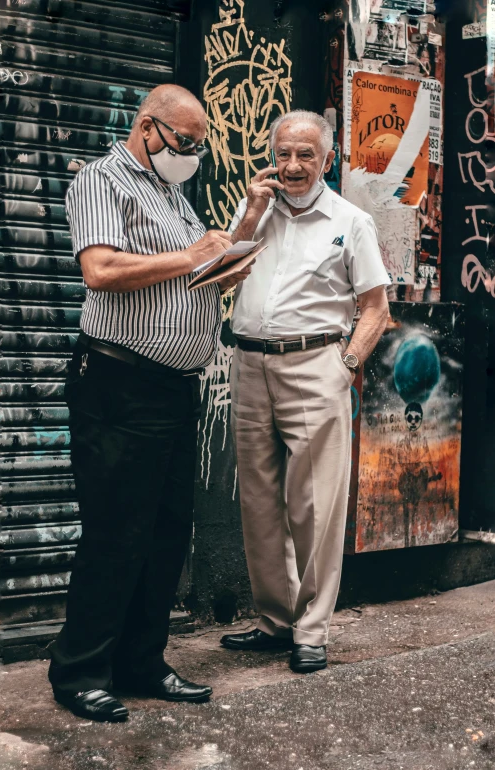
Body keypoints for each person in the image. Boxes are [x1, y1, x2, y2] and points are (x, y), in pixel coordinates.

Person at [48, 84, 251, 722]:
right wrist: (189, 254)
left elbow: (181, 270)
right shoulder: (103, 180)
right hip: (119, 382)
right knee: (115, 533)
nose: (190, 155)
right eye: (184, 143)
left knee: (166, 532)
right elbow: (101, 270)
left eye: (198, 146)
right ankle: (80, 671)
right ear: (148, 128)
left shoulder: (170, 192)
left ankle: (142, 660)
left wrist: (222, 260)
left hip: (171, 386)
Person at [221, 110, 390, 673]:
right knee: (260, 504)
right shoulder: (257, 213)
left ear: (327, 159)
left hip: (316, 365)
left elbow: (375, 309)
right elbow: (221, 277)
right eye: (284, 154)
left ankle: (312, 630)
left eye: (306, 156)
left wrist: (344, 367)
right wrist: (249, 215)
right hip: (248, 366)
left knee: (315, 506)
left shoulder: (351, 221)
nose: (293, 166)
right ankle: (274, 620)